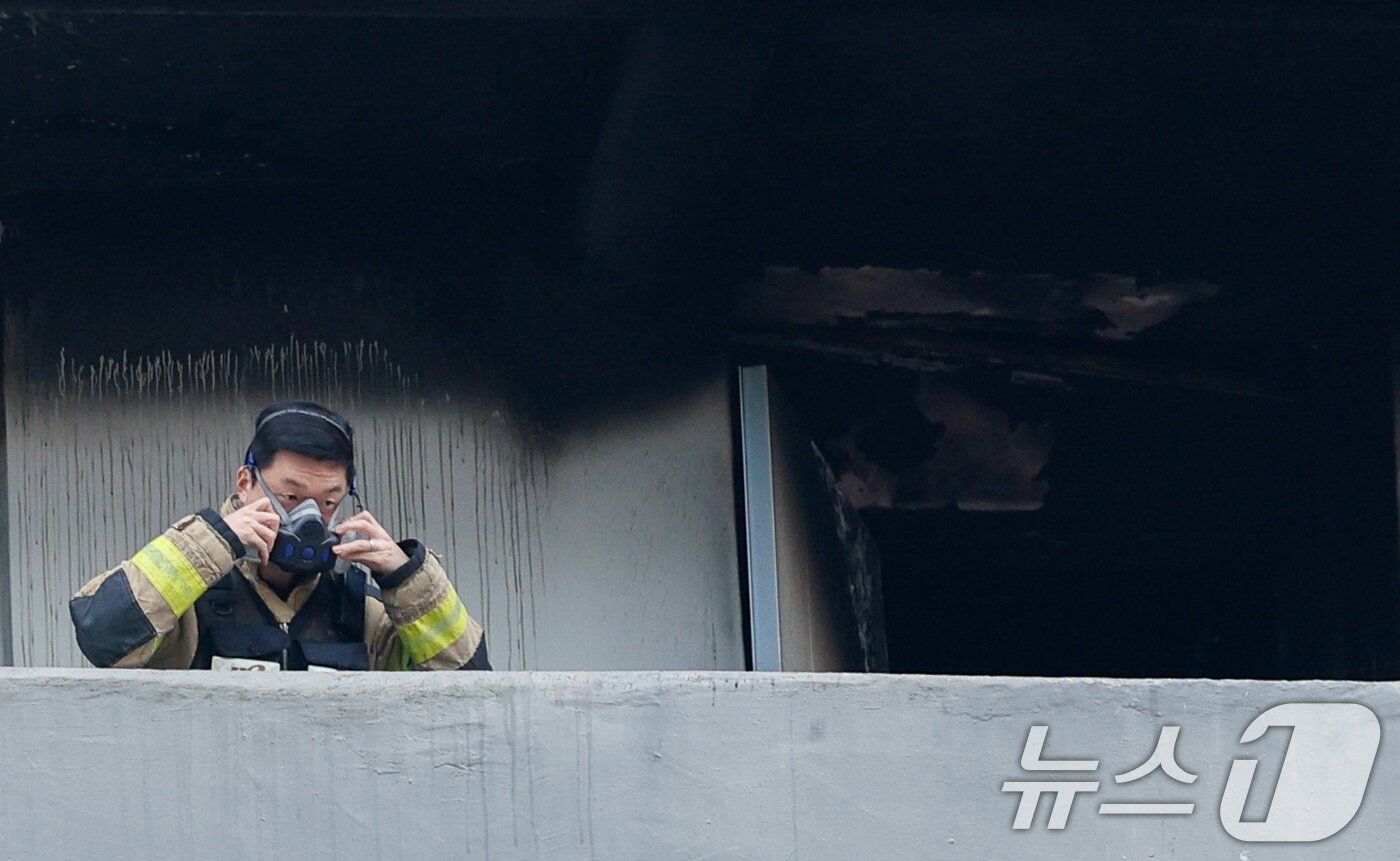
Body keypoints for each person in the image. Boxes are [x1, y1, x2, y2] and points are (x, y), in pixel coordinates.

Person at [69, 400, 490, 671]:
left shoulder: (367, 614)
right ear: (244, 481)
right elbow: (101, 634)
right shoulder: (185, 598)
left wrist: (408, 579)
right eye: (291, 496)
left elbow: (472, 689)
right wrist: (212, 542)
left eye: (329, 501)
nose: (310, 516)